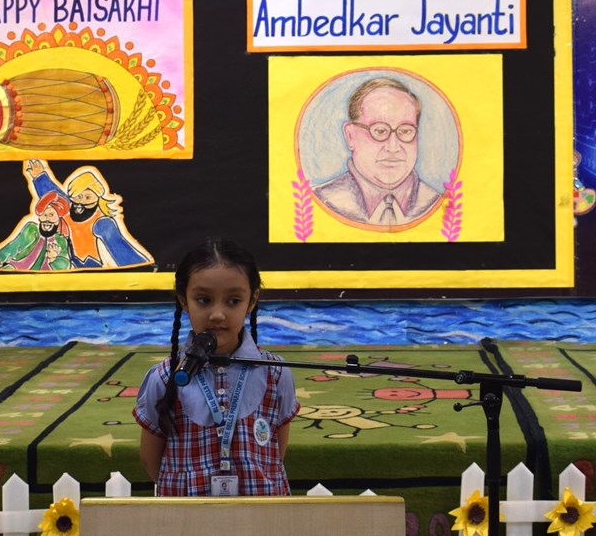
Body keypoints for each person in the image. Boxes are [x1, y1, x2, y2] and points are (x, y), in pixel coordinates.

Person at [133, 240, 299, 496]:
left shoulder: (276, 374)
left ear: (252, 300)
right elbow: (151, 459)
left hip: (260, 517)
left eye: (233, 301)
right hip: (188, 518)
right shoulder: (165, 378)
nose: (218, 314)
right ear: (184, 300)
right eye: (204, 300)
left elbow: (276, 453)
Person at [313, 76, 441, 226]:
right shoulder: (319, 202)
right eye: (380, 131)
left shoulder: (437, 204)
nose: (393, 147)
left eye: (405, 131)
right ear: (350, 136)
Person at [26, 159, 154, 268]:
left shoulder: (103, 223)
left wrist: (141, 268)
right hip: (76, 265)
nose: (81, 202)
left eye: (87, 197)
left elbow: (122, 249)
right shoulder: (69, 211)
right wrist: (39, 176)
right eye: (77, 197)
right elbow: (53, 194)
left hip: (96, 266)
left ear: (97, 197)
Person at [0, 191, 72, 271]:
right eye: (44, 215)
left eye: (51, 215)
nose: (47, 219)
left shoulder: (60, 239)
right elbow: (14, 246)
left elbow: (66, 265)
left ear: (58, 218)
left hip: (44, 279)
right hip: (17, 268)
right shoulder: (31, 229)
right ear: (40, 216)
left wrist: (54, 259)